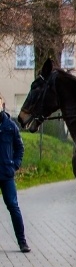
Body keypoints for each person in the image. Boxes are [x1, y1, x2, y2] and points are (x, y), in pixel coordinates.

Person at [0, 95, 30, 253]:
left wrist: (15, 165)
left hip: (6, 174)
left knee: (13, 206)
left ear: (2, 105)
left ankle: (22, 242)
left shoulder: (11, 126)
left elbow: (20, 148)